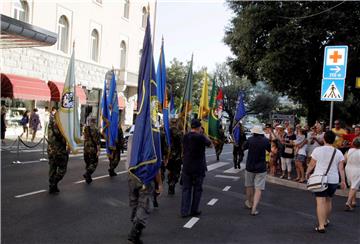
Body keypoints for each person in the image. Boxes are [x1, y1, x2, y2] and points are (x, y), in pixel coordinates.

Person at [305, 131, 346, 233]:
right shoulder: (339, 153)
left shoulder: (317, 150)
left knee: (320, 202)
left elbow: (311, 164)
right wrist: (343, 181)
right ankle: (326, 220)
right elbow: (341, 169)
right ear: (334, 140)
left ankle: (321, 225)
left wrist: (307, 173)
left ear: (324, 139)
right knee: (328, 200)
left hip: (320, 179)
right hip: (333, 180)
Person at [180, 119, 212, 218]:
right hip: (198, 167)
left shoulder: (185, 136)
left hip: (187, 166)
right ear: (199, 127)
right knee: (197, 189)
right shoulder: (201, 137)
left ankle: (184, 211)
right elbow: (211, 145)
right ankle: (194, 210)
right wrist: (204, 134)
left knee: (186, 189)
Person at [243, 125, 271, 216]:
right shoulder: (265, 141)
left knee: (249, 186)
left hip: (250, 166)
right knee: (258, 188)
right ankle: (254, 208)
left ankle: (250, 203)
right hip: (261, 167)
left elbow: (243, 147)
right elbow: (269, 150)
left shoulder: (250, 139)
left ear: (253, 132)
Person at [47, 113, 69, 194]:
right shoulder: (60, 124)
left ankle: (52, 186)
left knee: (52, 168)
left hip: (50, 149)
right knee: (62, 168)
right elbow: (61, 136)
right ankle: (54, 183)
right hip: (59, 150)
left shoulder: (50, 123)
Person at [167, 118, 183, 195]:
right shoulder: (179, 133)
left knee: (170, 171)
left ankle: (170, 183)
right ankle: (172, 184)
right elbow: (182, 145)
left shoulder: (165, 131)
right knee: (176, 172)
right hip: (176, 156)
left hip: (168, 156)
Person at [83, 117, 101, 184]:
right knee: (94, 163)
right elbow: (98, 142)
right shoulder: (96, 130)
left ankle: (88, 178)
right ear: (95, 122)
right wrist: (98, 151)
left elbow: (84, 137)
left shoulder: (86, 128)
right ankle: (87, 173)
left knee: (88, 163)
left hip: (86, 149)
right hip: (92, 149)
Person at [344, 137, 360, 211]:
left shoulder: (349, 150)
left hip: (348, 169)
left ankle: (353, 202)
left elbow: (344, 160)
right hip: (357, 169)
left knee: (352, 185)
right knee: (354, 186)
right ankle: (348, 202)